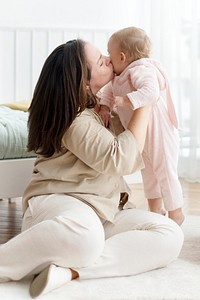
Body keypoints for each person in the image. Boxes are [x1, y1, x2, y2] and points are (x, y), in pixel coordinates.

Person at [0, 39, 184, 299]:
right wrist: (146, 102)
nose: (109, 60)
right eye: (100, 61)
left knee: (170, 235)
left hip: (101, 209)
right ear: (84, 82)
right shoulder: (74, 119)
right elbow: (119, 157)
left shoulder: (100, 107)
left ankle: (70, 271)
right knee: (87, 237)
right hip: (62, 204)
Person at [99, 26, 184, 225]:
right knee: (148, 170)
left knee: (164, 171)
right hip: (141, 132)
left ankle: (176, 214)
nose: (107, 59)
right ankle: (155, 211)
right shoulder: (120, 75)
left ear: (122, 56)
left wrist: (126, 101)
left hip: (159, 130)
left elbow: (151, 92)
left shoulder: (141, 70)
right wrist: (104, 106)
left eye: (109, 55)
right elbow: (109, 91)